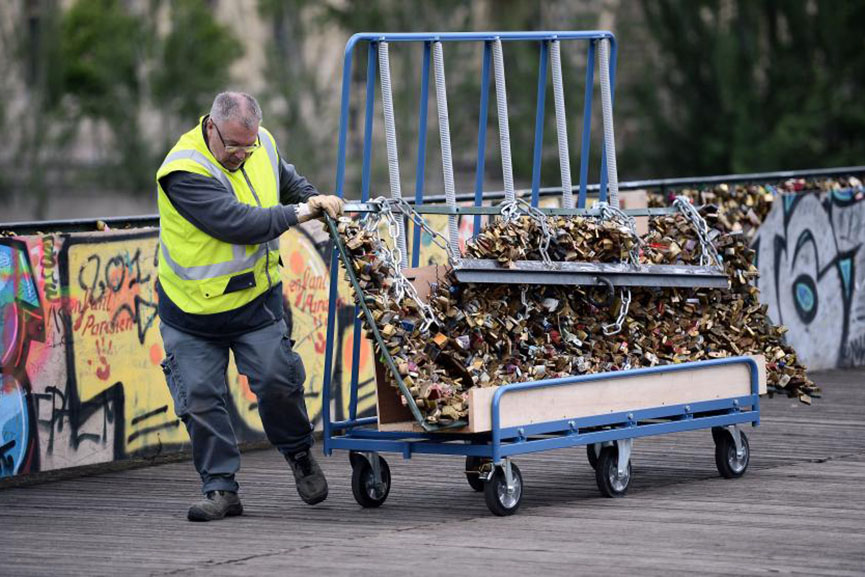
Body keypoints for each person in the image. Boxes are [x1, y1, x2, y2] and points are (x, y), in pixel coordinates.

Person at [156, 91, 344, 522]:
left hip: (254, 303)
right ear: (211, 128)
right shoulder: (183, 170)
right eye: (233, 146)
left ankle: (299, 455)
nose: (242, 153)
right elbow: (237, 223)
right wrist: (300, 212)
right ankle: (221, 490)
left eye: (249, 145)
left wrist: (317, 201)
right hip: (190, 313)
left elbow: (289, 183)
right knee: (200, 398)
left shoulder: (263, 144)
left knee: (278, 380)